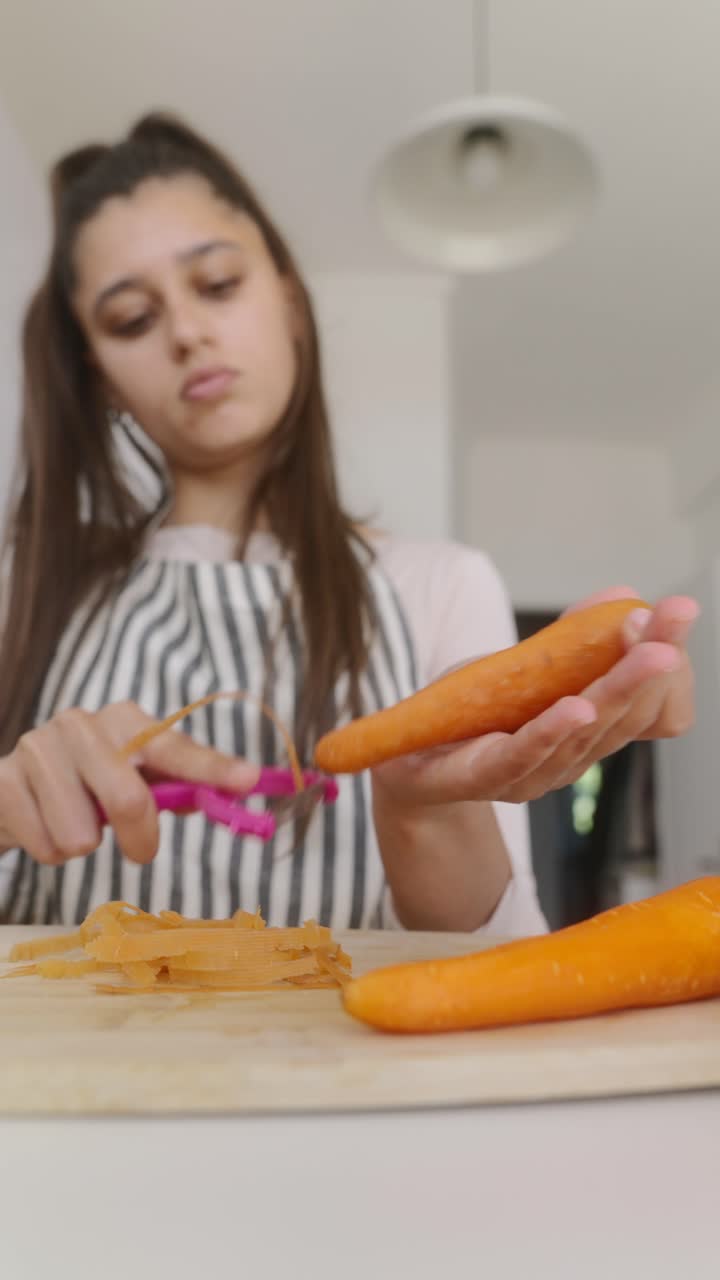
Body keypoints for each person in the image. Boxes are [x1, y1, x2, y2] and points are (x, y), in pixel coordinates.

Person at [0, 112, 697, 934]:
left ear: (289, 301)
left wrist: (425, 812)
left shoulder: (441, 584)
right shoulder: (24, 589)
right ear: (99, 375)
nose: (187, 332)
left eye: (217, 284)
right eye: (131, 320)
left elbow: (490, 958)